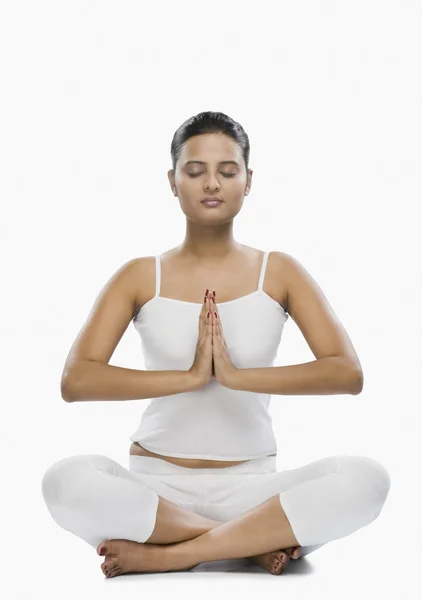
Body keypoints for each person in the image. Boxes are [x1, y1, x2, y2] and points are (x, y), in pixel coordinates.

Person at [41, 111, 391, 578]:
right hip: (156, 489)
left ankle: (175, 552)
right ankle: (247, 542)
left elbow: (347, 373)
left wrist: (235, 378)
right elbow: (76, 380)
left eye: (228, 172)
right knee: (64, 480)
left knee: (367, 479)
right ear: (172, 181)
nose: (212, 183)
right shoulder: (141, 275)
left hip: (252, 489)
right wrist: (188, 378)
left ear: (248, 182)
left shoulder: (279, 271)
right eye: (195, 171)